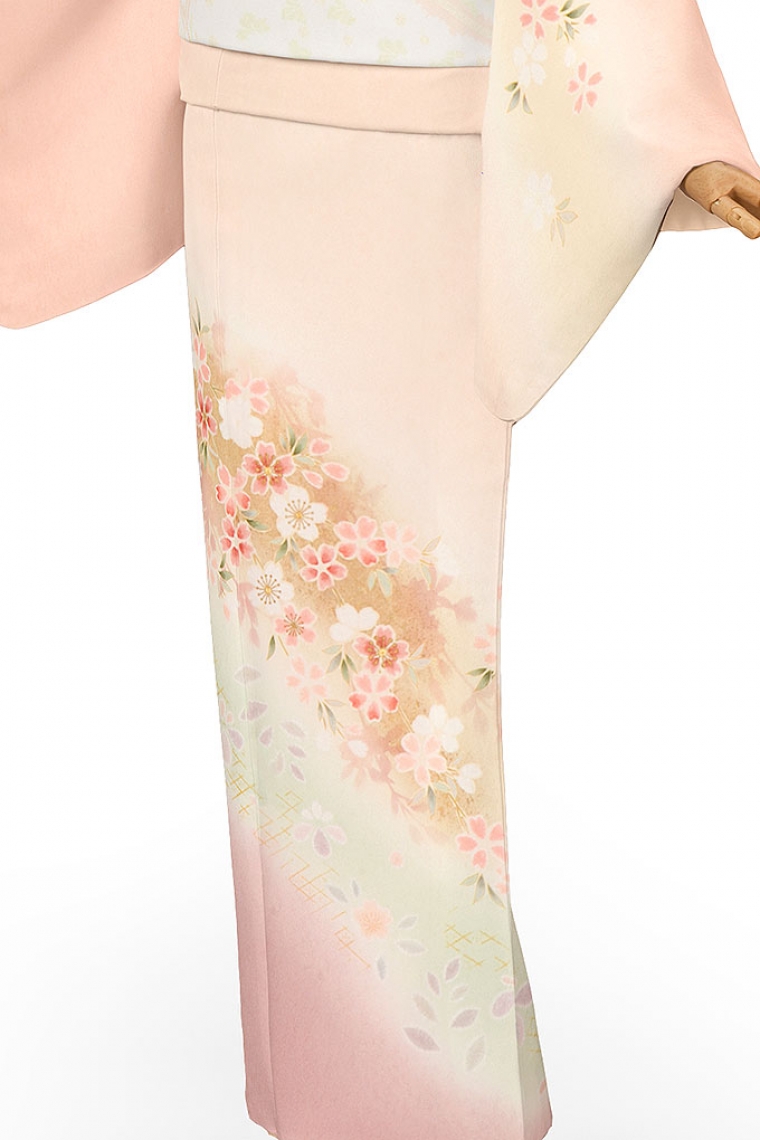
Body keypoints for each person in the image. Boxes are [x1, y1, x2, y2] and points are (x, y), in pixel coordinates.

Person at [2, 4, 758, 1138]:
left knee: (410, 658)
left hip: (423, 146)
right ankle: (328, 1077)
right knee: (274, 630)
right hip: (239, 124)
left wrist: (675, 134)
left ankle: (436, 1092)